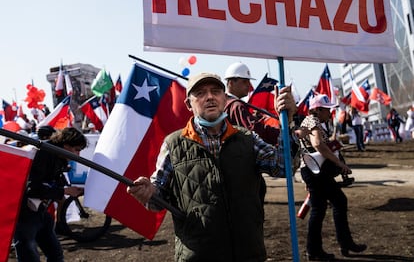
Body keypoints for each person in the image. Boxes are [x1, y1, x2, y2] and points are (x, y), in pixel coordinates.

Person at [127, 72, 297, 262]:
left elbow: (283, 167)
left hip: (248, 253)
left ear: (224, 98)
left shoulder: (247, 139)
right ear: (188, 104)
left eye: (216, 91)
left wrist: (287, 122)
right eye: (200, 93)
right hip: (199, 256)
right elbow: (157, 201)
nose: (209, 97)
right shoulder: (173, 144)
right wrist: (148, 193)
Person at [299, 94, 366, 261]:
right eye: (327, 109)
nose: (330, 112)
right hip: (314, 170)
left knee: (323, 208)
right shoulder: (312, 121)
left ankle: (318, 249)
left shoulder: (317, 122)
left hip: (315, 170)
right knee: (333, 204)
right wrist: (339, 163)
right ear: (318, 110)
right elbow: (317, 145)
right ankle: (337, 245)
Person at [223, 62, 298, 202]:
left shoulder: (225, 103)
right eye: (244, 81)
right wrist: (284, 129)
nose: (249, 86)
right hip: (243, 169)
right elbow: (256, 132)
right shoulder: (236, 106)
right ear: (231, 82)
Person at [13, 127, 87, 262]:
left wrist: (65, 189)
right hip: (24, 213)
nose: (78, 155)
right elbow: (31, 188)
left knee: (55, 254)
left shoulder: (56, 155)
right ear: (65, 145)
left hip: (39, 211)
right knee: (29, 255)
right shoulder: (43, 153)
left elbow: (49, 182)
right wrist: (64, 191)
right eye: (76, 149)